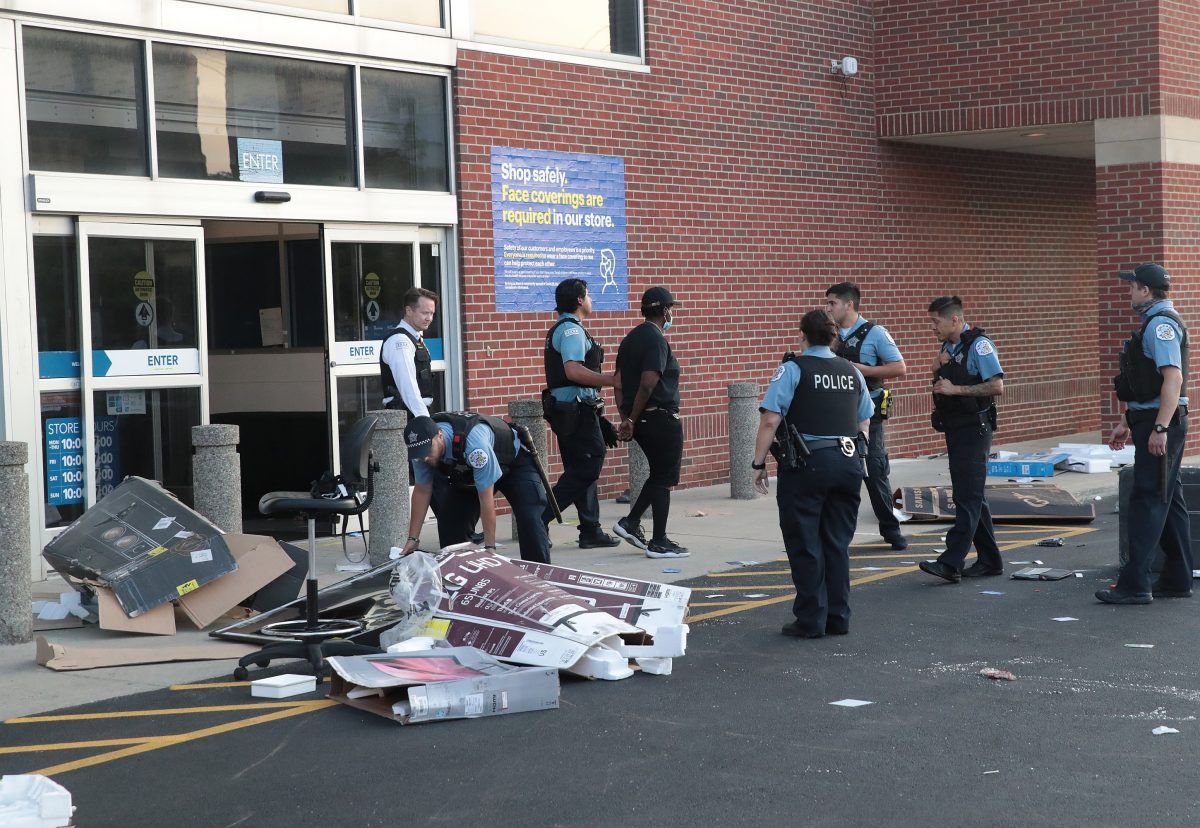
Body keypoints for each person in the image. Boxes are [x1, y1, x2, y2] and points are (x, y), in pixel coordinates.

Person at [751, 309, 873, 638]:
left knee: (805, 542)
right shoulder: (851, 371)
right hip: (848, 463)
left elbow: (770, 420)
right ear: (833, 337)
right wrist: (857, 458)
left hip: (807, 466)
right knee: (837, 542)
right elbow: (864, 420)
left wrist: (758, 463)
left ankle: (810, 619)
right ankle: (838, 617)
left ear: (803, 335)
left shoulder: (793, 369)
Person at [1100, 263, 1192, 604]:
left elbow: (1173, 380)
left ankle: (1135, 584)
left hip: (1160, 421)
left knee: (1148, 500)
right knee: (1169, 501)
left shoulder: (1161, 326)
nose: (1129, 292)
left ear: (1146, 291)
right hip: (1150, 417)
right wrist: (1127, 422)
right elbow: (1148, 385)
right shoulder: (1155, 323)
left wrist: (1159, 428)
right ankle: (1178, 578)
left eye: (1133, 286)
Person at [918, 296, 1004, 583]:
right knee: (973, 496)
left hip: (974, 429)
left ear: (954, 319)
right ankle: (990, 560)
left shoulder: (980, 345)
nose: (933, 327)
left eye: (936, 321)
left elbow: (996, 386)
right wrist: (935, 368)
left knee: (966, 496)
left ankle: (950, 562)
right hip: (956, 428)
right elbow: (941, 385)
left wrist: (956, 390)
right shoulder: (948, 347)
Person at [398, 412, 550, 564]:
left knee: (529, 517)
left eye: (427, 450)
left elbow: (486, 499)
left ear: (440, 435)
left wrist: (490, 547)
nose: (424, 458)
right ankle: (462, 574)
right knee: (450, 522)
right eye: (419, 454)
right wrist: (413, 538)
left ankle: (541, 575)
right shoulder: (421, 452)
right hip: (471, 471)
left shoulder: (475, 447)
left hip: (514, 462)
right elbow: (422, 491)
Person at [825, 281, 909, 550]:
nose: (828, 308)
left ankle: (891, 529)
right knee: (835, 472)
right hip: (835, 413)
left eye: (832, 303)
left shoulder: (875, 334)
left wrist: (861, 369)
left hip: (867, 412)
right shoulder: (829, 332)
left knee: (874, 471)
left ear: (849, 304)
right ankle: (835, 533)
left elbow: (899, 367)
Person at [542, 279, 621, 548]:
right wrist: (612, 380)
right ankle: (539, 518)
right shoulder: (571, 331)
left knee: (580, 470)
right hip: (575, 413)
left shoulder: (567, 329)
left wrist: (600, 417)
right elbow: (573, 371)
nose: (591, 299)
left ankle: (590, 530)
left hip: (575, 412)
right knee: (587, 467)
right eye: (588, 295)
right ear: (579, 300)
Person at [612, 287, 689, 558]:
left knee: (658, 475)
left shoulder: (630, 339)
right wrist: (630, 418)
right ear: (665, 310)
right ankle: (659, 541)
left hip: (642, 420)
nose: (672, 314)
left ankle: (631, 522)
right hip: (660, 417)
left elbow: (618, 384)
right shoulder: (656, 339)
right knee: (664, 478)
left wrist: (627, 419)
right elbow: (648, 383)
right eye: (671, 309)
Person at [380, 287, 438, 418]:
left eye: (432, 313)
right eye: (425, 313)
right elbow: (408, 387)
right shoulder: (400, 341)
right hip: (406, 415)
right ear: (408, 311)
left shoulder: (415, 338)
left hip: (415, 414)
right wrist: (424, 420)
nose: (429, 318)